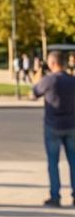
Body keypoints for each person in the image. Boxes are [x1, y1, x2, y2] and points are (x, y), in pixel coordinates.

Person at [32, 50, 75, 207]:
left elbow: (34, 92)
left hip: (53, 125)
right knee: (73, 162)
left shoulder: (48, 80)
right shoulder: (72, 80)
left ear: (52, 63)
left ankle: (55, 195)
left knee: (53, 162)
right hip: (71, 124)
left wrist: (37, 72)